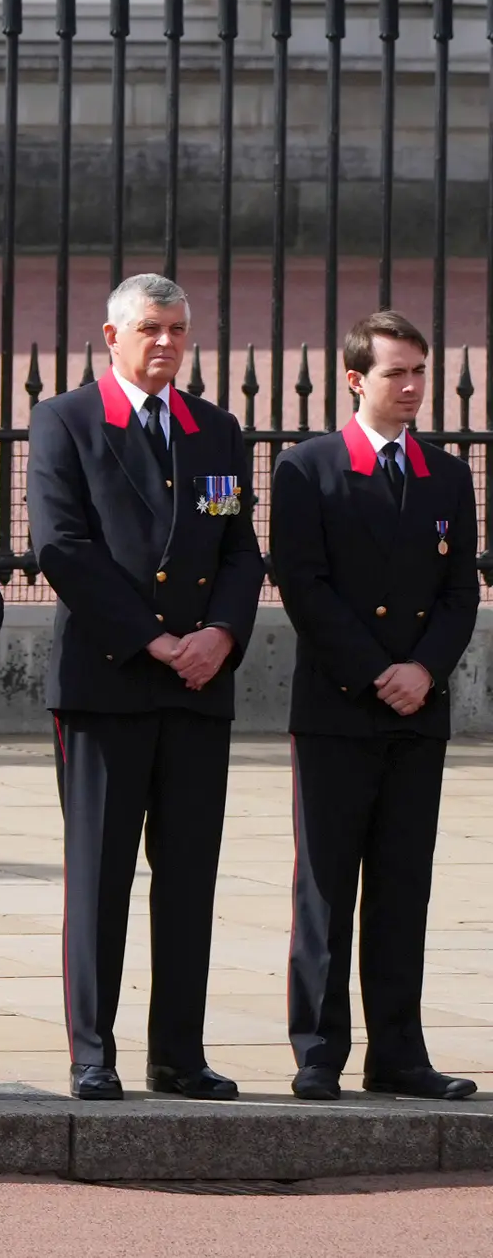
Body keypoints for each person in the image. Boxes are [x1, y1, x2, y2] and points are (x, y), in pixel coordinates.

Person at [30, 271, 261, 1102]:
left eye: (177, 329)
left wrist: (221, 634)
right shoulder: (68, 420)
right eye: (150, 329)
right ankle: (93, 1049)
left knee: (189, 873)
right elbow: (61, 546)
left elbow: (240, 550)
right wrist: (154, 637)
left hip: (200, 684)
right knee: (101, 875)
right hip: (108, 680)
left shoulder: (216, 430)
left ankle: (179, 1051)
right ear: (112, 335)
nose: (165, 343)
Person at [267, 308, 479, 1101]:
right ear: (356, 378)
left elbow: (461, 590)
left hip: (417, 712)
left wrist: (422, 669)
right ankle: (318, 1050)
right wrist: (377, 669)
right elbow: (304, 583)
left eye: (421, 371)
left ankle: (399, 1051)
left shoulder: (446, 474)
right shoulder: (310, 468)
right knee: (327, 881)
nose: (414, 387)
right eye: (397, 372)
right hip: (338, 705)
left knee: (403, 881)